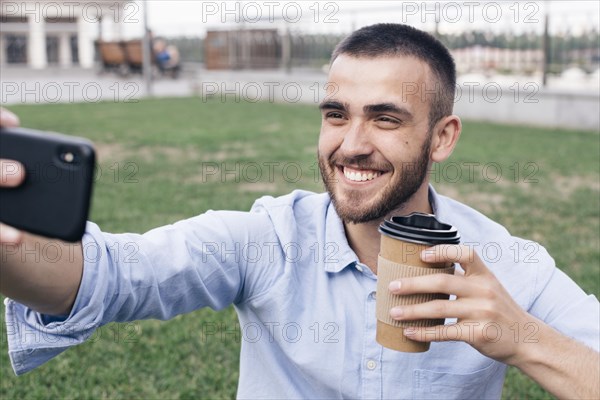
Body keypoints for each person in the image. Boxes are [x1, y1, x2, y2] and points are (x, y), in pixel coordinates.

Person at [1, 24, 598, 399]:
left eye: (385, 118)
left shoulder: (504, 264)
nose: (352, 143)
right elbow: (99, 278)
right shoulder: (266, 239)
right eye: (336, 114)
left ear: (442, 138)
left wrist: (520, 335)